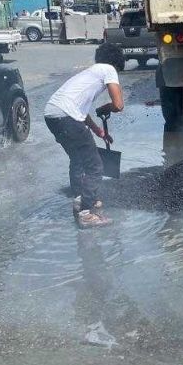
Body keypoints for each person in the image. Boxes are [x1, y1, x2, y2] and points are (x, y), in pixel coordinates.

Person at [44, 44, 126, 228]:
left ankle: (80, 200)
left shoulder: (89, 73)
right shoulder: (109, 68)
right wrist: (105, 108)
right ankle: (86, 213)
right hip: (67, 116)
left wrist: (98, 131)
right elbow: (119, 105)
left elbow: (79, 110)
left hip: (52, 115)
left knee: (77, 159)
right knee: (95, 166)